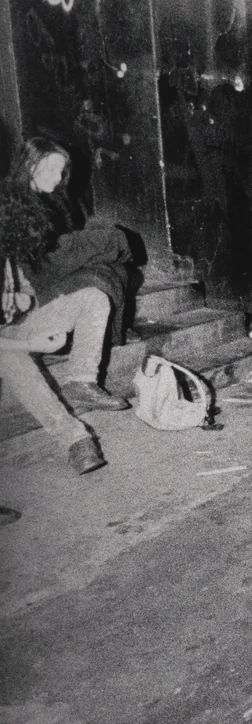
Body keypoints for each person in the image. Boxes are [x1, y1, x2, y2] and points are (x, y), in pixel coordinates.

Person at [0, 137, 134, 474]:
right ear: (31, 165)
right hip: (7, 342)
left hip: (15, 323)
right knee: (11, 356)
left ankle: (81, 381)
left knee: (93, 297)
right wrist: (32, 343)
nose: (60, 178)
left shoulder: (14, 241)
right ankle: (76, 440)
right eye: (54, 169)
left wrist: (26, 299)